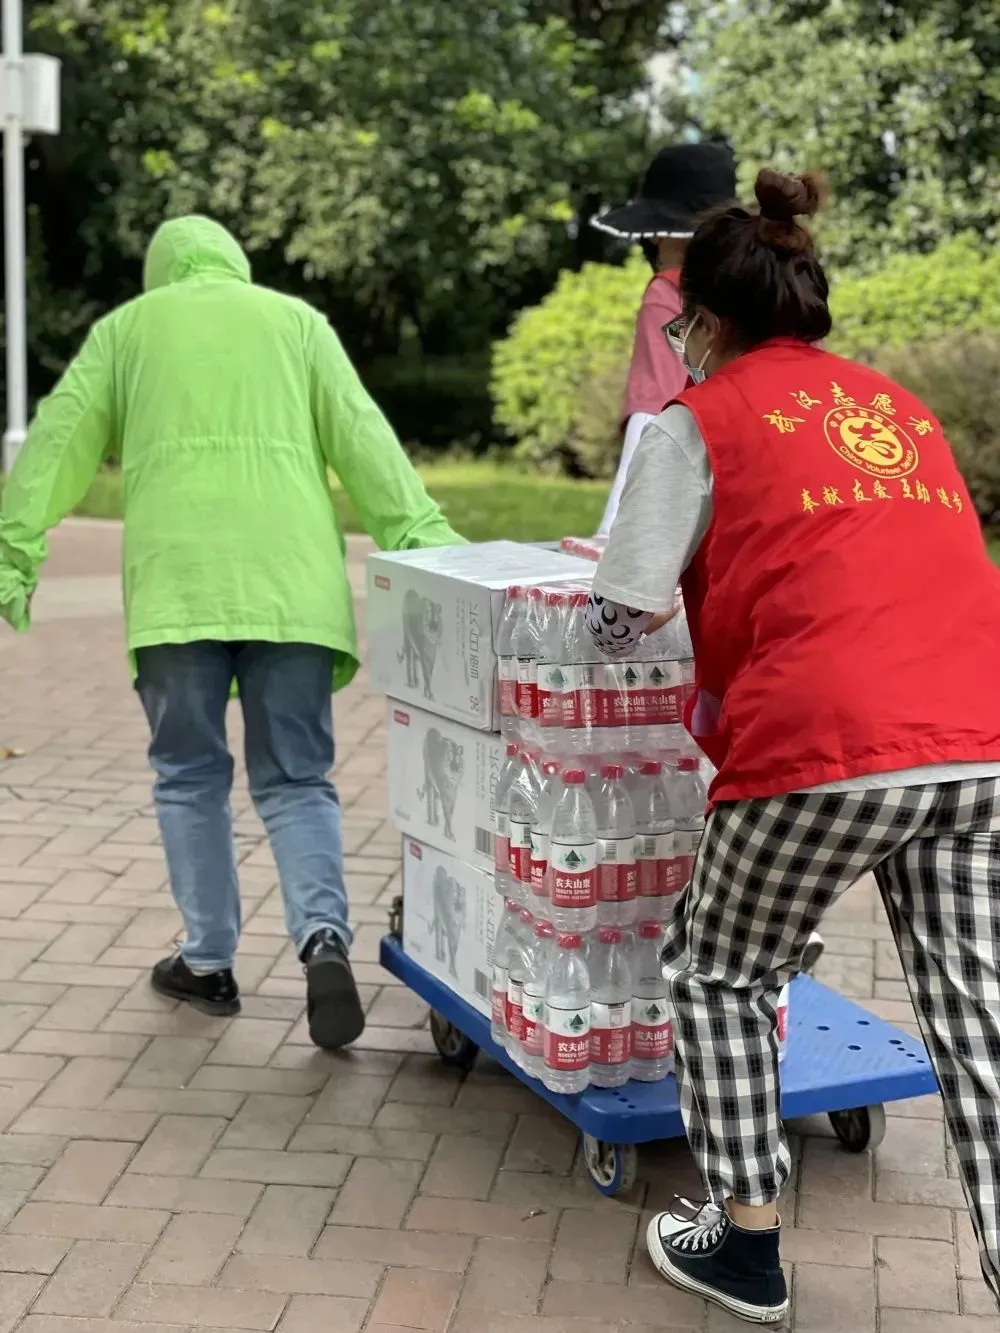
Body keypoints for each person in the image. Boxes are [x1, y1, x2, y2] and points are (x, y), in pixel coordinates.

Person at [586, 168, 1000, 1325]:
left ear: (706, 319)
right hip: (976, 738)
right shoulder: (897, 407)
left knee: (719, 967)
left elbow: (621, 609)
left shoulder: (701, 417)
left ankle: (744, 1241)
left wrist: (612, 607)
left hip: (822, 742)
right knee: (975, 1004)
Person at [0, 215, 463, 1051]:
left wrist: (14, 551)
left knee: (188, 776)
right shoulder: (297, 323)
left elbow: (58, 442)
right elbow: (365, 441)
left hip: (176, 592)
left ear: (161, 272)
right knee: (296, 779)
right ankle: (323, 940)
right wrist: (428, 544)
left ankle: (208, 959)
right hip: (292, 592)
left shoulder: (127, 331)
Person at [590, 141, 737, 537]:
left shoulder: (669, 293)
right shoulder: (777, 292)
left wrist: (612, 531)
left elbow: (652, 417)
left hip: (706, 513)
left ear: (657, 234)